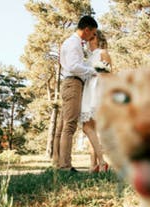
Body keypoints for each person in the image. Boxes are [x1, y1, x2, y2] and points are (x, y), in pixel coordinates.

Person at [53, 16, 98, 172]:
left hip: (70, 82)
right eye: (92, 33)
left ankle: (58, 162)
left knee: (63, 125)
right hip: (72, 83)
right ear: (87, 29)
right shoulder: (73, 43)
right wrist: (92, 71)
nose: (92, 37)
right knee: (69, 125)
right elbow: (73, 66)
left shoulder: (73, 43)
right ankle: (65, 166)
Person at [80, 30, 112, 173]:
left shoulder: (102, 52)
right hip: (88, 91)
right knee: (91, 129)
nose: (88, 40)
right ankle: (93, 165)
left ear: (97, 40)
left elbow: (108, 75)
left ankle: (102, 161)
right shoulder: (89, 57)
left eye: (91, 38)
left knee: (87, 128)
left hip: (97, 91)